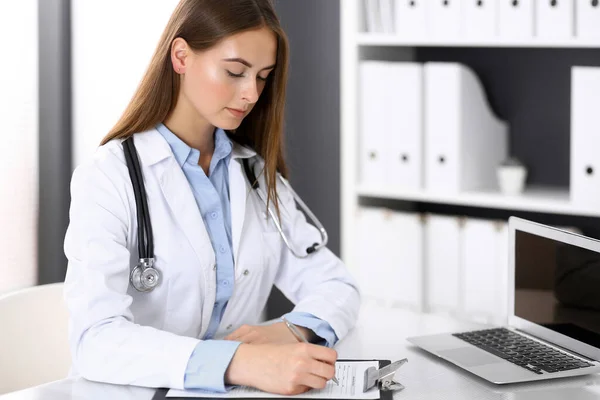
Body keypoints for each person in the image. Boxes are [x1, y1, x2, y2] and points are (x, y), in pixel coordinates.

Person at [63, 0, 360, 395]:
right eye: (235, 72)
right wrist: (237, 362)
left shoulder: (252, 172)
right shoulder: (109, 177)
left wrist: (294, 329)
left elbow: (338, 285)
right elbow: (94, 340)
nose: (251, 93)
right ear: (181, 56)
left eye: (262, 77)